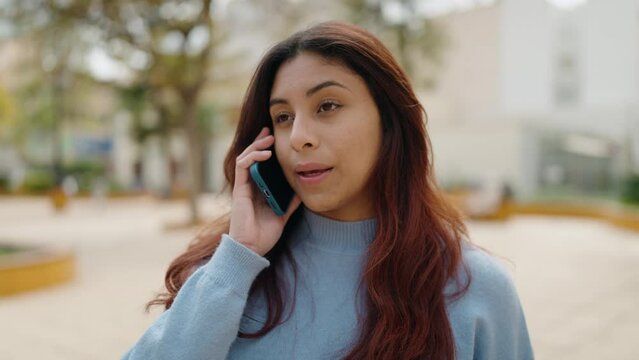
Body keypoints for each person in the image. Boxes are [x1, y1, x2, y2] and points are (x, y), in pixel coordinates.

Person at [122, 21, 533, 360]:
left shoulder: (476, 288)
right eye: (283, 117)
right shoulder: (230, 271)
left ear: (389, 121)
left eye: (327, 106)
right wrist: (238, 258)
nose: (298, 137)